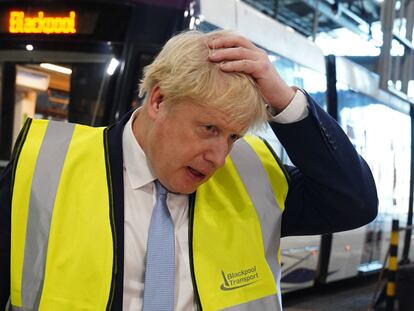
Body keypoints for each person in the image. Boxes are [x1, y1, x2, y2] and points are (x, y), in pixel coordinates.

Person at [0, 30, 377, 311]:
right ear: (159, 100)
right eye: (209, 129)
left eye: (232, 136)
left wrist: (285, 100)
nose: (219, 157)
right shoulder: (45, 171)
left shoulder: (253, 177)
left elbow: (354, 202)